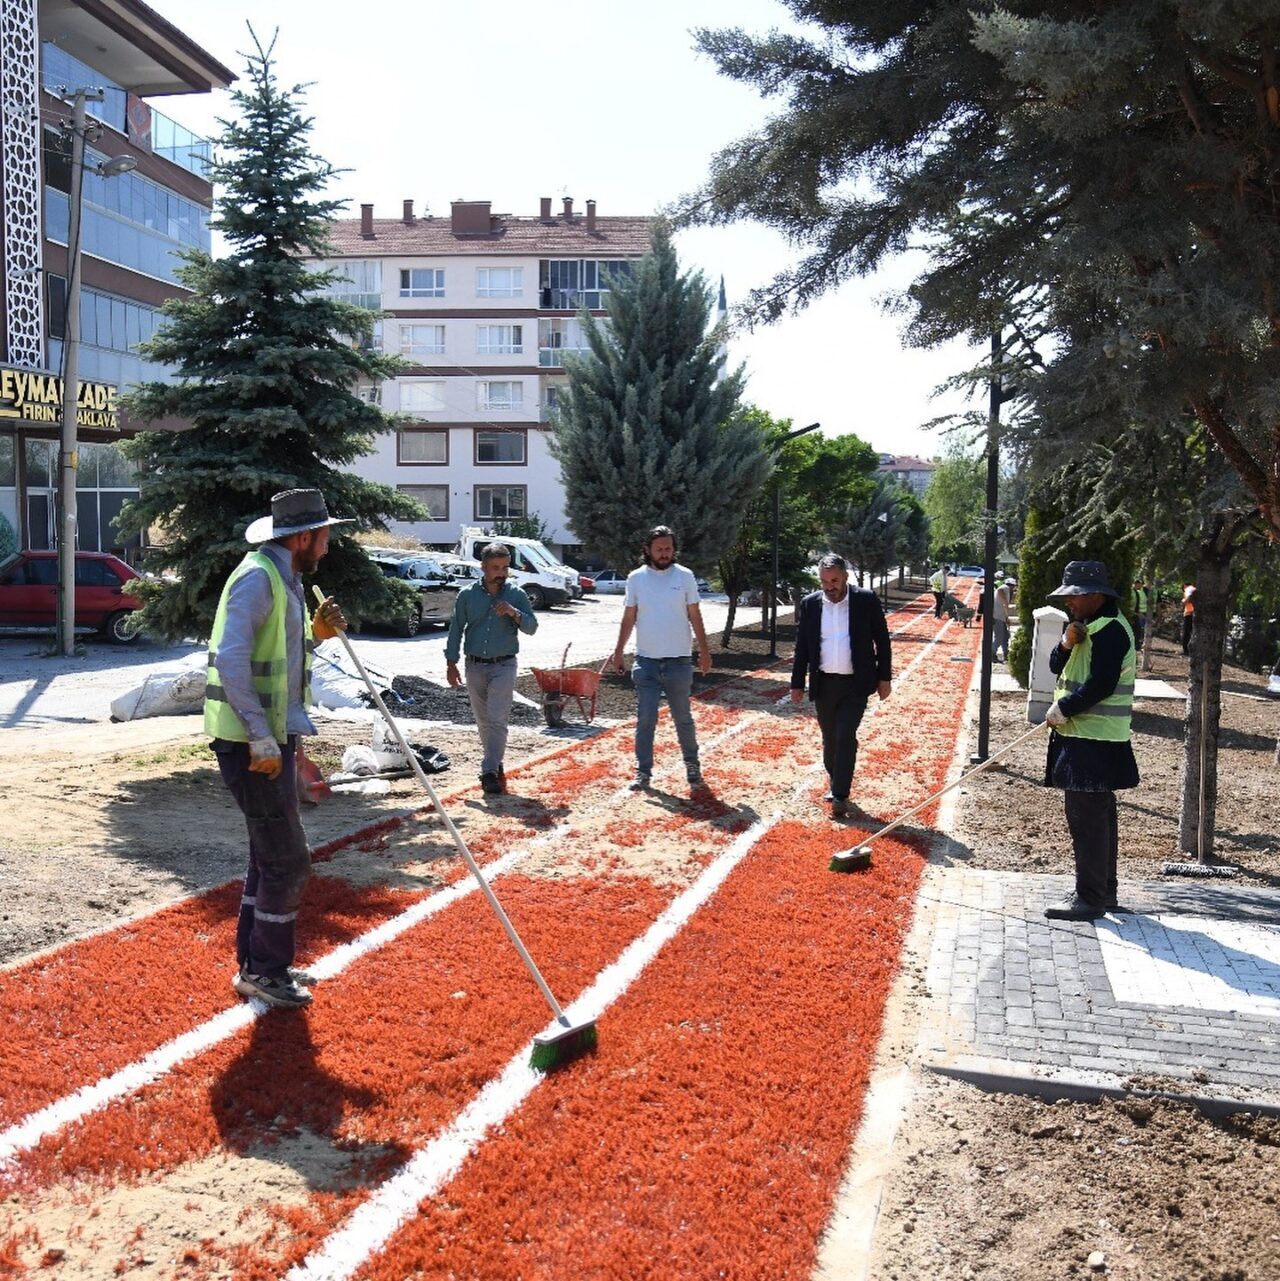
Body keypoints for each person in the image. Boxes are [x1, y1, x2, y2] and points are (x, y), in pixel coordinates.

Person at [205, 488, 351, 1009]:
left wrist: (316, 633)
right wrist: (260, 735)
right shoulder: (257, 577)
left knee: (268, 857)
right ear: (304, 537)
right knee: (289, 862)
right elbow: (230, 659)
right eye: (326, 536)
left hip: (269, 736)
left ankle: (257, 965)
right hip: (253, 743)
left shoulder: (284, 578)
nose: (329, 548)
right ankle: (266, 971)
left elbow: (280, 657)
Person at [1041, 560, 1139, 920]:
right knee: (1097, 817)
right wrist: (1065, 643)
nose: (1069, 603)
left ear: (1096, 595)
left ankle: (1090, 898)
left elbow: (1102, 684)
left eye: (1075, 597)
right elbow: (1055, 666)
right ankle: (1103, 892)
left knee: (1087, 820)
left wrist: (1064, 707)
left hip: (1094, 739)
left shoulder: (1111, 630)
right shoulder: (1085, 625)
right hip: (1082, 735)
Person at [608, 525, 712, 791]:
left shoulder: (685, 577)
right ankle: (643, 771)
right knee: (645, 718)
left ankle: (692, 764)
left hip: (679, 662)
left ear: (674, 550)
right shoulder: (636, 579)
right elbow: (629, 617)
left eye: (668, 548)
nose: (664, 553)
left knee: (683, 717)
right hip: (647, 662)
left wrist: (704, 651)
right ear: (648, 550)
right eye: (659, 549)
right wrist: (618, 651)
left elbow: (695, 615)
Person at [791, 552, 893, 818]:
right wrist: (797, 682)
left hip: (856, 684)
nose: (829, 586)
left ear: (846, 577)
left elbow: (882, 641)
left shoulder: (865, 601)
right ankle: (836, 779)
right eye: (824, 581)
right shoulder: (810, 604)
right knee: (829, 739)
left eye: (834, 580)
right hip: (824, 683)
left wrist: (884, 678)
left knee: (846, 736)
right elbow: (802, 646)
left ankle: (840, 794)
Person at [445, 542, 538, 795]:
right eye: (495, 567)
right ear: (483, 567)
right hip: (474, 666)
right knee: (484, 721)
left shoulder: (517, 595)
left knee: (497, 719)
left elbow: (532, 627)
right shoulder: (467, 596)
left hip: (504, 665)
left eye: (505, 567)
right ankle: (495, 763)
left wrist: (513, 612)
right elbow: (456, 629)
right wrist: (450, 662)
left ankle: (488, 771)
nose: (501, 573)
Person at [992, 577, 1014, 662]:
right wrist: (1005, 602)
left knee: (1005, 636)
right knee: (999, 637)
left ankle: (1006, 653)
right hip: (997, 616)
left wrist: (1006, 617)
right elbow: (1000, 591)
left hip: (1001, 616)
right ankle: (992, 653)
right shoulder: (1005, 588)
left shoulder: (1007, 590)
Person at [1181, 583, 1196, 656]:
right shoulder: (1195, 590)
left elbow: (1187, 599)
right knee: (1191, 633)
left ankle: (1186, 650)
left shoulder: (1189, 589)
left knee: (1186, 633)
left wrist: (1183, 601)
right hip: (1194, 613)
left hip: (1189, 614)